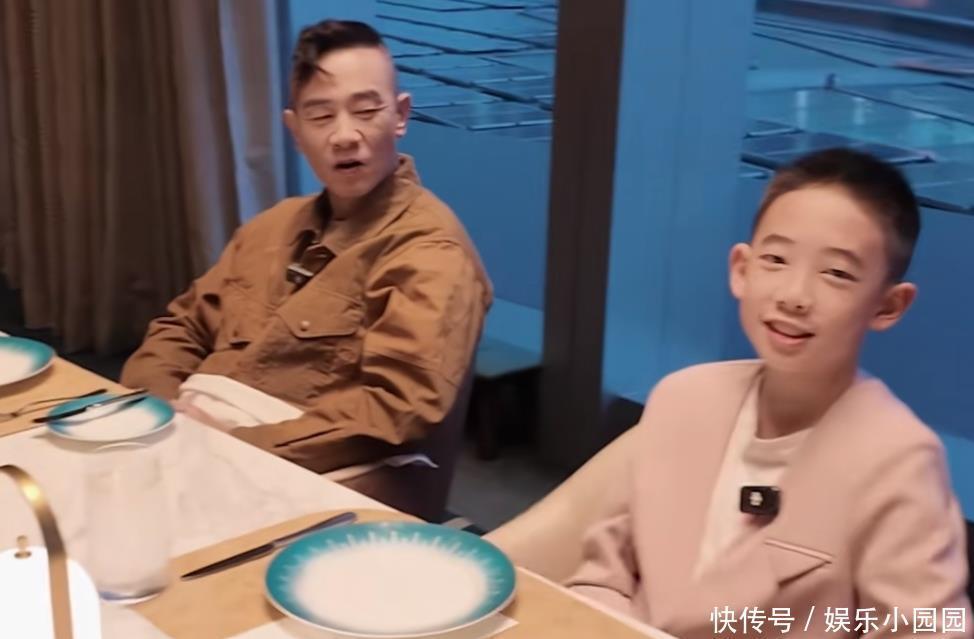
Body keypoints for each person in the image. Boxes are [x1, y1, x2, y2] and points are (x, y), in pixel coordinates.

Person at [564, 148, 971, 637]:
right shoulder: (682, 399)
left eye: (837, 273)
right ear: (742, 268)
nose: (794, 295)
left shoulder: (900, 461)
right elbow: (602, 576)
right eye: (776, 260)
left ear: (888, 305)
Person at [121, 20, 492, 514]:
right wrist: (158, 408)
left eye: (366, 111)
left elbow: (396, 409)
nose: (345, 136)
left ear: (401, 116)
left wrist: (231, 446)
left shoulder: (430, 251)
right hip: (186, 433)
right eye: (321, 116)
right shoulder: (271, 226)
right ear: (295, 131)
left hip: (292, 469)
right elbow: (182, 326)